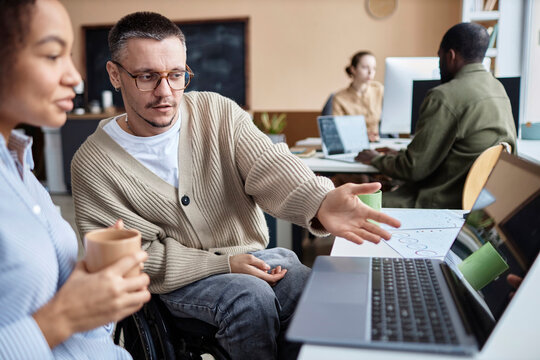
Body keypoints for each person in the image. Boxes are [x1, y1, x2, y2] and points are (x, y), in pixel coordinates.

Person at [70, 11, 401, 360]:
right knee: (250, 300)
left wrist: (320, 200)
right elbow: (132, 258)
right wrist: (225, 264)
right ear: (114, 75)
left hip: (254, 258)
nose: (165, 91)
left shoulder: (218, 113)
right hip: (174, 282)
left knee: (312, 288)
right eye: (147, 76)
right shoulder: (93, 164)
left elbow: (271, 166)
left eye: (177, 75)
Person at [0, 1, 151, 358]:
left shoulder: (18, 167)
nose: (75, 77)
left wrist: (96, 287)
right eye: (53, 55)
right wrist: (63, 317)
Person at [355, 22, 516, 209]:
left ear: (451, 56)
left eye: (439, 56)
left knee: (355, 204)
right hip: (477, 203)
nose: (439, 65)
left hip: (437, 202)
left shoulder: (444, 96)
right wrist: (400, 155)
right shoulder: (499, 89)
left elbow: (414, 168)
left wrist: (375, 158)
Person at [332, 51, 383, 142]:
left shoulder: (379, 90)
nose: (370, 72)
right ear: (353, 69)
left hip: (378, 142)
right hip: (352, 143)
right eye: (365, 67)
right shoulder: (339, 98)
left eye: (374, 68)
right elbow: (337, 130)